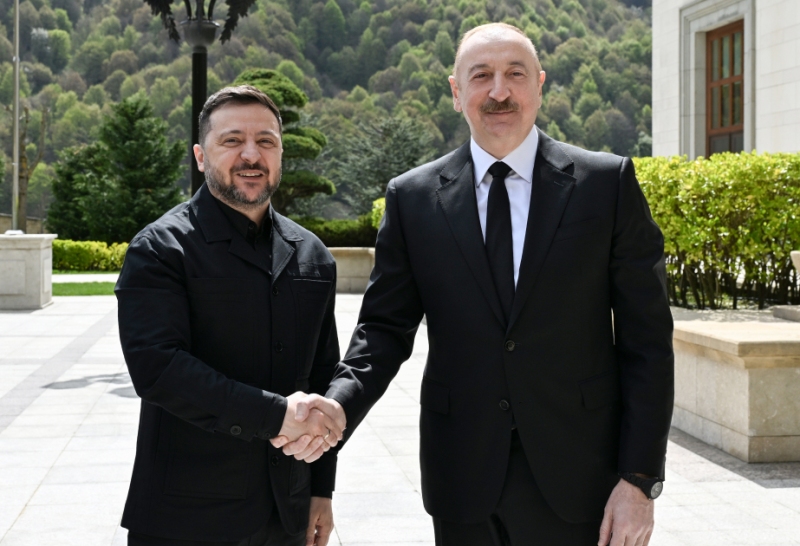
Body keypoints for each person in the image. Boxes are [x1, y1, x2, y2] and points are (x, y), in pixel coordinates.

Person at [277, 22, 674, 546]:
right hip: (461, 475)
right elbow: (383, 330)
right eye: (481, 75)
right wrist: (339, 404)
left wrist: (639, 480)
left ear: (540, 84)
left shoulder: (606, 185)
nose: (499, 91)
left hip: (581, 477)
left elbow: (647, 341)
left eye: (515, 74)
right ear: (456, 91)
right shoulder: (412, 198)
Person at [116, 85, 346, 546]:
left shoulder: (314, 256)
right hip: (186, 520)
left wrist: (321, 488)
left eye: (266, 141)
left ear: (280, 155)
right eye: (232, 140)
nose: (251, 155)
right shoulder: (160, 249)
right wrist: (275, 415)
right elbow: (158, 369)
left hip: (286, 516)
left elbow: (322, 375)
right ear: (201, 157)